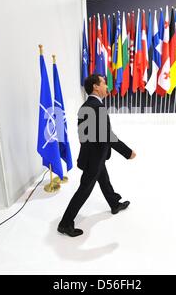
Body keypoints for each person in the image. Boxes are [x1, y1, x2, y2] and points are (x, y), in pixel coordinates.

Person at [58, 74, 136, 237]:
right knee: (85, 189)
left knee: (104, 180)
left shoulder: (86, 106)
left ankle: (114, 203)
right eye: (104, 83)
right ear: (95, 86)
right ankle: (65, 223)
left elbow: (82, 134)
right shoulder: (97, 107)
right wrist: (127, 152)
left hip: (93, 154)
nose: (107, 86)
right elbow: (107, 135)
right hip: (94, 157)